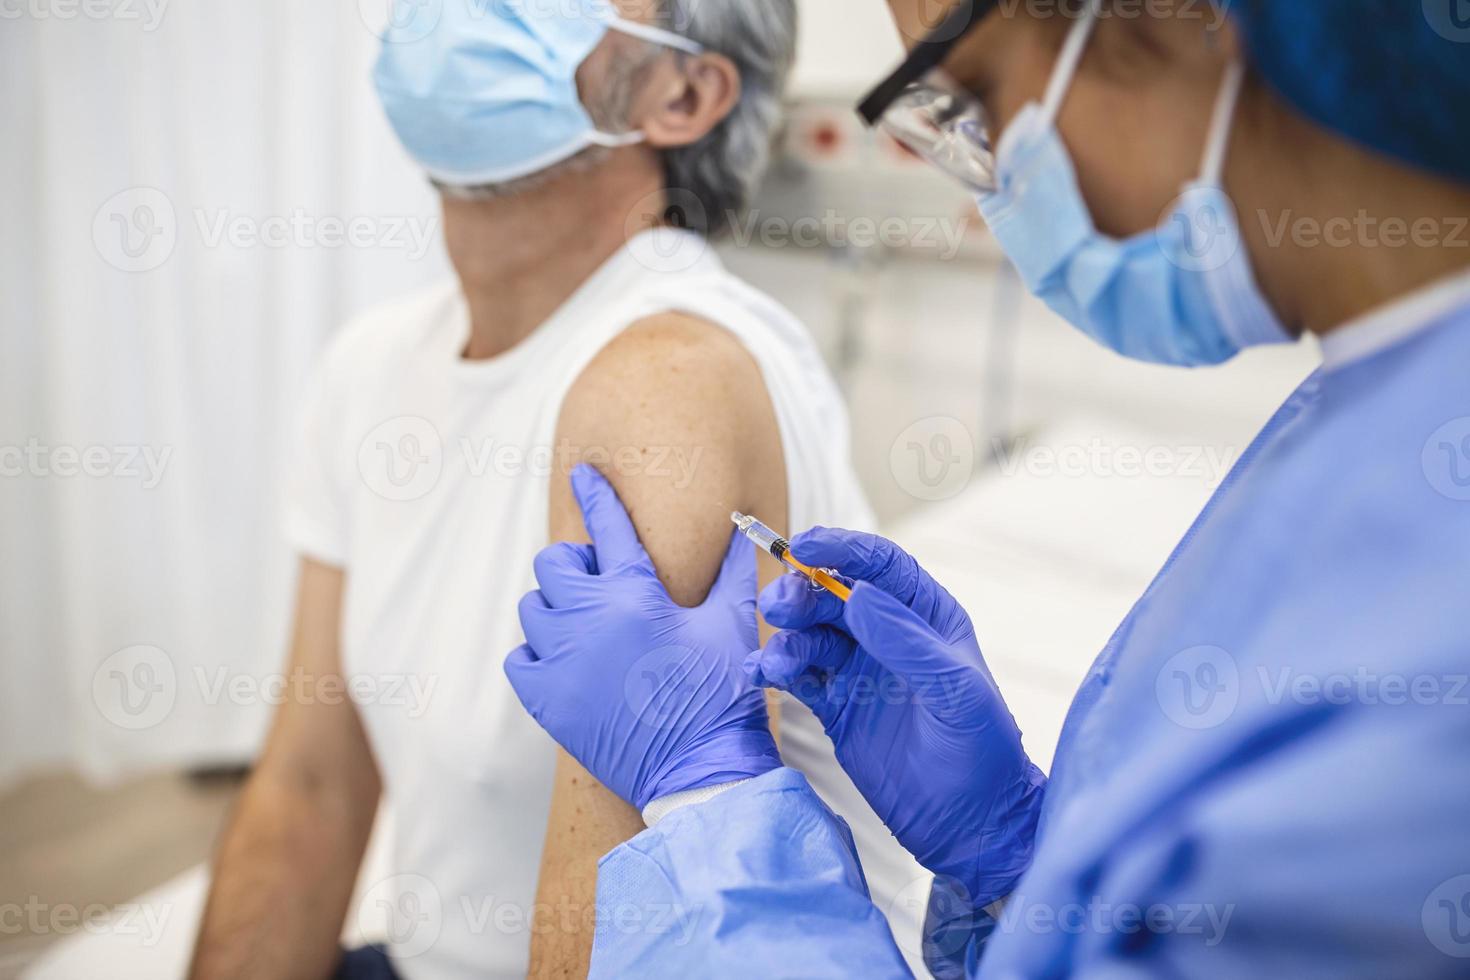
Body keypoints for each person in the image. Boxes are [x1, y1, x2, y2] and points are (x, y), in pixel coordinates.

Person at [504, 0, 1470, 976]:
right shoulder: (1375, 409)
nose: (996, 176)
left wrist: (702, 795)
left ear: (1187, 23)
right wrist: (1017, 855)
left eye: (981, 97)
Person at [186, 2, 928, 978]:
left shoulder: (668, 375)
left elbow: (625, 912)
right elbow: (309, 786)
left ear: (683, 92)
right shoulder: (370, 367)